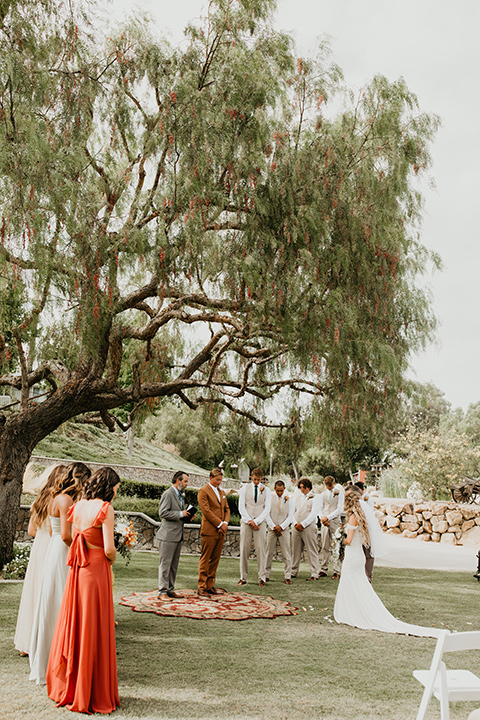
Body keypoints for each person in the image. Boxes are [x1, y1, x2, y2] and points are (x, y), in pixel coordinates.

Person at [46, 466, 121, 714]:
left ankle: (73, 684)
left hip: (78, 571)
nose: (115, 494)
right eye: (116, 490)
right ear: (108, 487)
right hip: (96, 569)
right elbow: (109, 549)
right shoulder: (105, 509)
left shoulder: (77, 506)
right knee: (94, 626)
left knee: (77, 624)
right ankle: (91, 691)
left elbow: (73, 536)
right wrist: (111, 559)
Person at [333, 488, 442, 637]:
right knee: (359, 585)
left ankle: (351, 614)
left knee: (351, 583)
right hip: (358, 555)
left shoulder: (352, 517)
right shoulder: (361, 515)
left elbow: (349, 540)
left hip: (352, 556)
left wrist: (339, 539)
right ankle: (355, 612)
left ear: (348, 501)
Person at [29, 462, 91, 685]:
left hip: (59, 549)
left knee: (60, 601)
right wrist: (85, 544)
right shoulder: (65, 500)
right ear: (79, 479)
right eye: (85, 481)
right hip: (61, 551)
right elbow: (66, 535)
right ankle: (51, 661)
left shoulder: (62, 497)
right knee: (57, 602)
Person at [14, 464, 67, 656]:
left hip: (38, 547)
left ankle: (26, 643)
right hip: (52, 546)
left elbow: (31, 531)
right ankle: (47, 641)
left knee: (33, 592)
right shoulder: (60, 501)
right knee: (49, 593)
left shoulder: (40, 500)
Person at [156, 471, 195, 601]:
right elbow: (163, 513)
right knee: (165, 565)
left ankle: (170, 590)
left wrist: (188, 516)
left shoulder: (180, 496)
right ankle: (162, 592)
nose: (186, 484)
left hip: (177, 536)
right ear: (178, 481)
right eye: (185, 481)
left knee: (173, 565)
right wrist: (180, 514)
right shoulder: (168, 494)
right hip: (167, 536)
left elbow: (179, 515)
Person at [197, 467, 230, 597]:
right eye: (217, 480)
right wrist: (220, 524)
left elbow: (227, 509)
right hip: (209, 530)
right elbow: (206, 511)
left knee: (215, 559)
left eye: (221, 480)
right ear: (211, 478)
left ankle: (210, 585)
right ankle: (201, 586)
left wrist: (226, 523)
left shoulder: (222, 492)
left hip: (221, 532)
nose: (219, 482)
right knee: (206, 559)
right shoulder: (203, 491)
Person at [237, 467, 271, 587]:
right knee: (244, 549)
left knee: (261, 550)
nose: (256, 481)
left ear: (261, 478)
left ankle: (262, 577)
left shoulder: (266, 490)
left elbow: (267, 508)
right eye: (255, 479)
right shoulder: (244, 489)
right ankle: (243, 577)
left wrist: (257, 521)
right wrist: (249, 520)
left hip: (260, 523)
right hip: (247, 522)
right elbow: (241, 506)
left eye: (259, 479)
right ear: (251, 477)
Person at [265, 480, 294, 584]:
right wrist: (273, 527)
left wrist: (281, 527)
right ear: (274, 489)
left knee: (287, 553)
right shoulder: (270, 499)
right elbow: (266, 513)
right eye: (278, 490)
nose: (279, 493)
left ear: (284, 489)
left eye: (281, 491)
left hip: (284, 530)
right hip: (272, 529)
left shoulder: (289, 500)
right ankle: (266, 574)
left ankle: (287, 576)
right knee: (268, 552)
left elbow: (290, 516)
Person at [291, 478, 320, 581]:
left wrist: (303, 524)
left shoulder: (315, 498)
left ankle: (315, 573)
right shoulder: (297, 498)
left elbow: (313, 514)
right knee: (295, 550)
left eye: (303, 487)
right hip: (296, 527)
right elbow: (292, 511)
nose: (302, 489)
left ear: (308, 487)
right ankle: (293, 571)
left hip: (308, 527)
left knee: (311, 550)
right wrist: (295, 523)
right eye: (300, 487)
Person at [318, 475, 345, 579]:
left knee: (336, 546)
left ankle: (336, 570)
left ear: (333, 483)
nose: (329, 487)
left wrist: (327, 518)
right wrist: (322, 518)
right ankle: (323, 569)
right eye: (327, 486)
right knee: (325, 546)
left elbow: (339, 509)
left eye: (330, 485)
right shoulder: (322, 494)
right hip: (324, 522)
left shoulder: (339, 493)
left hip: (334, 522)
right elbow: (320, 508)